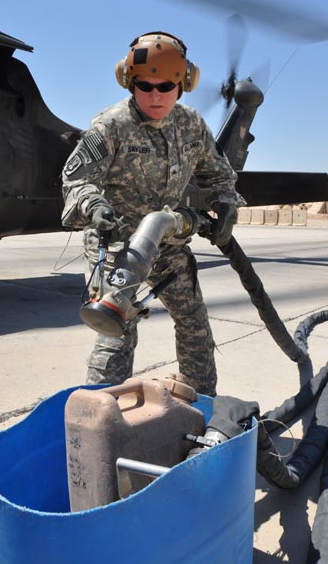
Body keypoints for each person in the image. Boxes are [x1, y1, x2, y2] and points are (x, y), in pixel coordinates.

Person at [61, 32, 245, 396]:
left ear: (183, 84)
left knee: (195, 324)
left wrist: (225, 204)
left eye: (165, 86)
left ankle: (201, 405)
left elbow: (219, 173)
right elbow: (77, 180)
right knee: (115, 332)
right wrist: (93, 205)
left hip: (168, 242)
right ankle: (99, 413)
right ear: (129, 82)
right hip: (117, 245)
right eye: (144, 86)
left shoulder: (191, 124)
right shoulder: (111, 125)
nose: (155, 95)